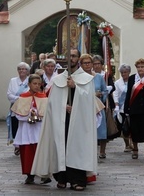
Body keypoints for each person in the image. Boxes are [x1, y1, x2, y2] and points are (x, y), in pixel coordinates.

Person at [31, 48, 97, 191]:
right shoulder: (58, 79)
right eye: (69, 56)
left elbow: (89, 100)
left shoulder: (87, 79)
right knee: (60, 146)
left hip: (79, 121)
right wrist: (63, 106)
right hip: (62, 120)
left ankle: (77, 180)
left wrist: (76, 89)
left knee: (77, 148)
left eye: (74, 56)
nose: (71, 58)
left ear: (78, 59)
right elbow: (52, 103)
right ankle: (62, 178)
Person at [10, 74, 48, 184]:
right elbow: (18, 115)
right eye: (34, 84)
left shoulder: (43, 97)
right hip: (26, 129)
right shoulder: (23, 97)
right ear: (29, 84)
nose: (36, 86)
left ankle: (42, 174)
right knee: (27, 152)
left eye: (38, 84)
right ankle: (29, 174)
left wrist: (36, 113)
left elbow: (46, 114)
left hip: (38, 128)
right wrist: (28, 115)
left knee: (39, 151)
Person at [7, 62, 30, 155]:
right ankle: (17, 146)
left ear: (27, 71)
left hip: (26, 108)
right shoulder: (13, 81)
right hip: (15, 108)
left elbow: (30, 94)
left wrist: (21, 98)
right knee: (15, 126)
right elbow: (9, 95)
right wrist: (20, 98)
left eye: (24, 69)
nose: (21, 70)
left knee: (25, 127)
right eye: (20, 69)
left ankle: (24, 145)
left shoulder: (30, 80)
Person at [91, 55, 110, 158]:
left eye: (98, 63)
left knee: (102, 130)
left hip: (98, 105)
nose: (96, 66)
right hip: (88, 106)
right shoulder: (86, 76)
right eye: (94, 64)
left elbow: (105, 90)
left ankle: (102, 151)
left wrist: (102, 94)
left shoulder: (99, 77)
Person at [113, 64, 133, 152]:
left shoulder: (133, 81)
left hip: (131, 107)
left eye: (125, 72)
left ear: (129, 72)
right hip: (121, 108)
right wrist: (116, 105)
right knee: (124, 127)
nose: (123, 74)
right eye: (122, 72)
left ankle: (132, 142)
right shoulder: (117, 83)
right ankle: (127, 144)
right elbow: (115, 94)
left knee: (132, 126)